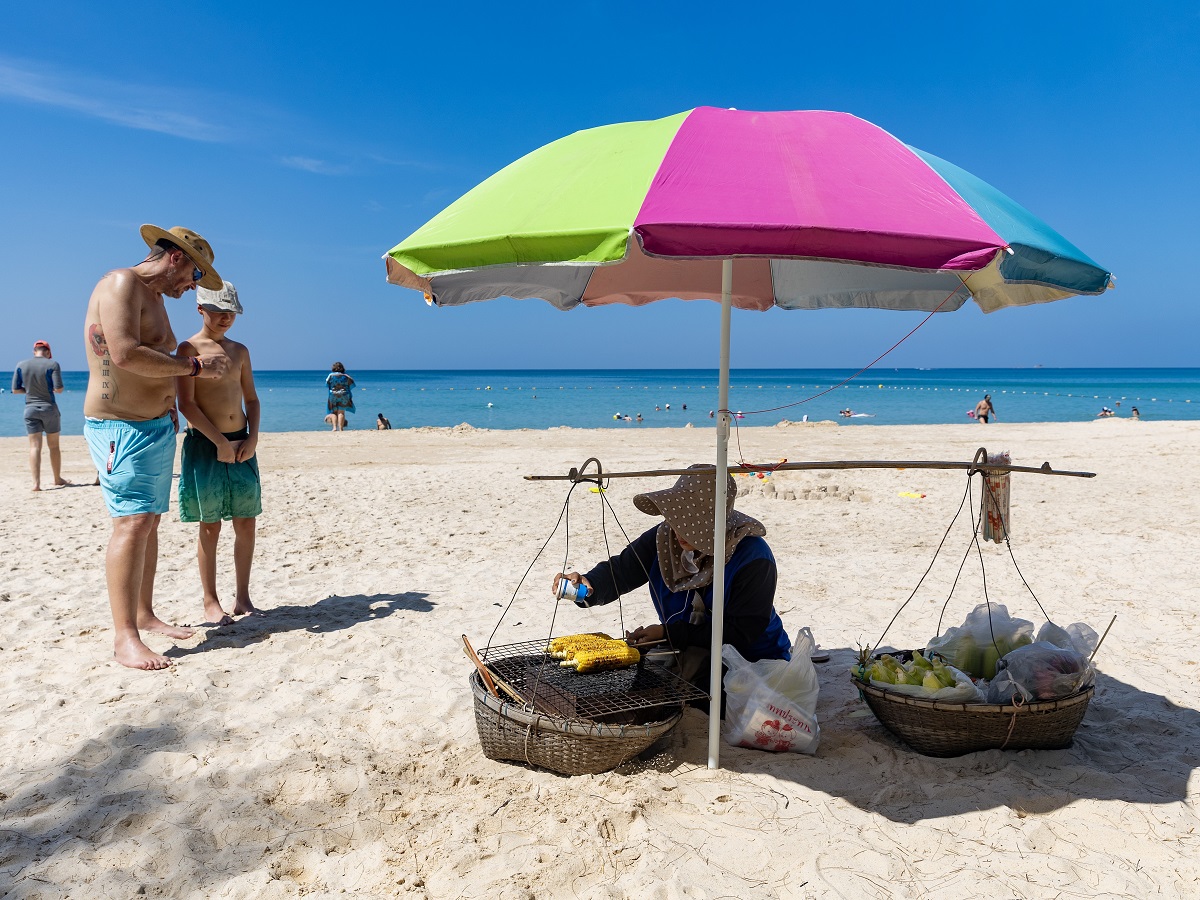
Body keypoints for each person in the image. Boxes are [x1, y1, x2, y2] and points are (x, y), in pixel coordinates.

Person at [83, 224, 230, 671]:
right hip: (120, 427)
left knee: (148, 522)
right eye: (193, 278)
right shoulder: (121, 283)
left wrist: (170, 402)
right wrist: (195, 368)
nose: (191, 289)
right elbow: (125, 354)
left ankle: (144, 615)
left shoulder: (156, 299)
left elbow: (151, 361)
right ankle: (125, 637)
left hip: (153, 425)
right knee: (131, 524)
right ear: (176, 258)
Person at [552, 465, 791, 706]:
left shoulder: (753, 558)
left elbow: (742, 633)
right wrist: (589, 583)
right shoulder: (664, 538)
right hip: (684, 647)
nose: (679, 529)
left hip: (749, 660)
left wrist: (667, 633)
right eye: (677, 518)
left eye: (690, 522)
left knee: (709, 701)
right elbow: (622, 570)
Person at [175, 281, 262, 626]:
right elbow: (187, 404)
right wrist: (219, 443)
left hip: (242, 442)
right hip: (205, 444)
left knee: (246, 521)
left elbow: (251, 399)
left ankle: (242, 596)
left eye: (231, 313)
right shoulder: (188, 348)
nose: (225, 318)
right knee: (209, 525)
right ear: (200, 309)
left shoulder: (239, 351)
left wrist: (252, 438)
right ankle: (211, 600)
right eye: (218, 311)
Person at [12, 340, 68, 491]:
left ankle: (36, 484)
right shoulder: (52, 364)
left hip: (30, 409)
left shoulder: (21, 365)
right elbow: (59, 389)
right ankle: (57, 478)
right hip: (49, 408)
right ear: (48, 352)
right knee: (54, 446)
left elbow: (15, 390)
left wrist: (30, 391)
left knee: (34, 447)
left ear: (34, 351)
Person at [326, 362, 355, 431]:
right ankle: (341, 429)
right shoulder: (345, 376)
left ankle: (334, 428)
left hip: (333, 395)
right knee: (341, 412)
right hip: (344, 395)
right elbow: (352, 382)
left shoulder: (331, 375)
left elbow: (327, 384)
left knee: (333, 412)